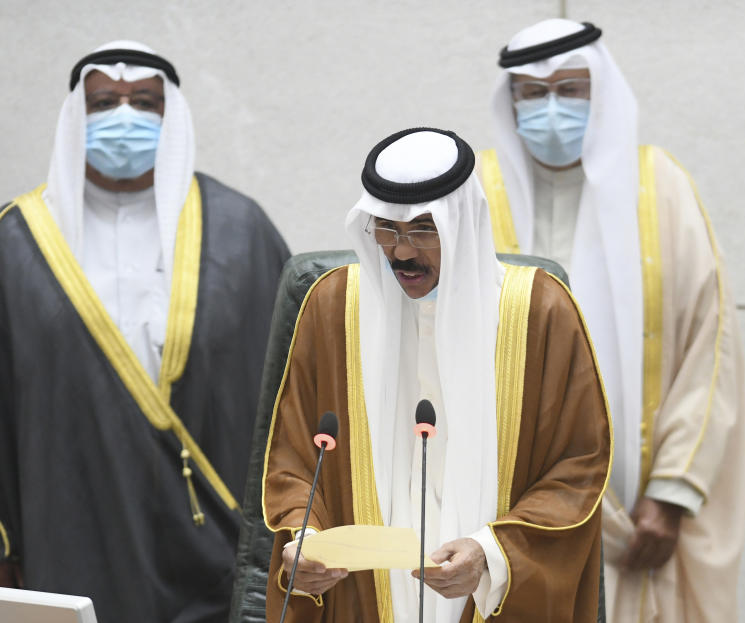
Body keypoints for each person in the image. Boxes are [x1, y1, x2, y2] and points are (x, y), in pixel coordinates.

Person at [0, 41, 290, 622]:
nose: (123, 117)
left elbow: (293, 396)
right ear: (77, 114)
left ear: (169, 114)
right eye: (104, 102)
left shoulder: (239, 229)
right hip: (71, 536)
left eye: (144, 102)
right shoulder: (19, 238)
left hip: (216, 547)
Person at [262, 127, 612, 623]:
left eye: (424, 230)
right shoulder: (333, 305)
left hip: (485, 596)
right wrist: (306, 537)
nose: (401, 253)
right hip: (363, 594)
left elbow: (579, 466)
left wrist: (491, 554)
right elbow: (296, 456)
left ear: (462, 223)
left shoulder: (539, 310)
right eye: (385, 228)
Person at [478, 19, 745, 622]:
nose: (551, 108)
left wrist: (673, 491)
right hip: (505, 503)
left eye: (571, 90)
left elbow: (712, 344)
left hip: (643, 508)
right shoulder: (477, 195)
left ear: (601, 91)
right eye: (531, 93)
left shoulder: (662, 187)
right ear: (511, 100)